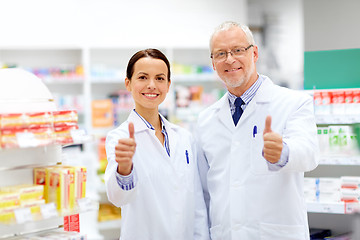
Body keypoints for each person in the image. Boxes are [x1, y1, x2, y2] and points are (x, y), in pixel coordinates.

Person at [196, 21, 319, 240]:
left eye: (237, 50)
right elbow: (206, 191)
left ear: (254, 53)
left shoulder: (294, 103)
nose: (230, 59)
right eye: (221, 53)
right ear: (213, 63)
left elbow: (309, 154)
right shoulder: (206, 119)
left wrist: (283, 152)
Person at [104, 48, 210, 240]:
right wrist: (124, 169)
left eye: (160, 78)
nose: (152, 85)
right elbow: (118, 198)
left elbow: (196, 201)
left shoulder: (184, 137)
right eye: (143, 77)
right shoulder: (119, 138)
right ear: (128, 83)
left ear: (168, 85)